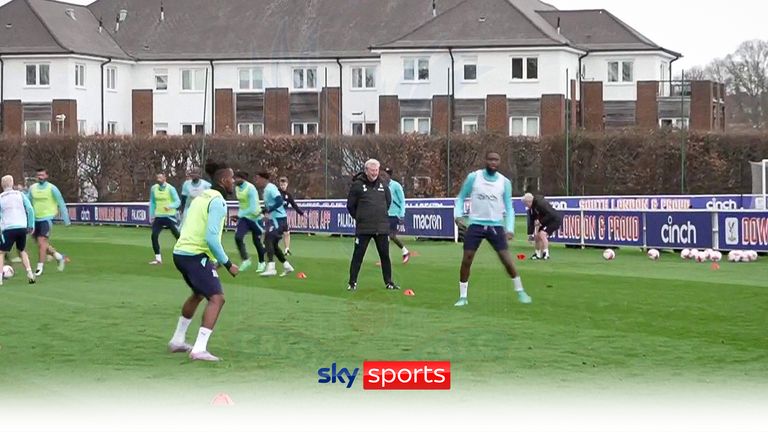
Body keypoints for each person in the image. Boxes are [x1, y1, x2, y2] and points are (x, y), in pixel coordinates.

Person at [167, 161, 239, 362]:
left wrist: (211, 259)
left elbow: (191, 227)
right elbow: (211, 238)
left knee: (199, 294)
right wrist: (227, 263)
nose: (233, 182)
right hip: (194, 256)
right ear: (224, 180)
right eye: (231, 178)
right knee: (217, 298)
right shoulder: (217, 201)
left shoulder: (200, 197)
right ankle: (199, 349)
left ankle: (177, 340)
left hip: (181, 253)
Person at [453, 151, 532, 307]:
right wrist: (458, 216)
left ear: (499, 162)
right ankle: (463, 296)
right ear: (485, 160)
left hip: (496, 225)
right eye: (490, 159)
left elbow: (509, 207)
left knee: (506, 260)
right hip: (475, 224)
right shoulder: (474, 177)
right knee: (466, 260)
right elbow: (461, 197)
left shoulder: (504, 182)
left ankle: (520, 290)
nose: (493, 162)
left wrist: (509, 228)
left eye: (496, 160)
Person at [346, 159, 399, 291]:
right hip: (364, 227)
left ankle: (389, 282)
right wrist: (360, 217)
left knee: (385, 256)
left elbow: (388, 201)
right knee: (358, 255)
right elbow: (350, 206)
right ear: (366, 170)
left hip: (381, 227)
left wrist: (380, 216)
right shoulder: (357, 185)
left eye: (376, 170)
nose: (375, 173)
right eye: (372, 170)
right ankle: (352, 283)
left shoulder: (383, 184)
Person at [27, 168, 70, 276]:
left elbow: (61, 202)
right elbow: (27, 202)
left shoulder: (52, 188)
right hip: (34, 220)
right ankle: (60, 257)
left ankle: (39, 267)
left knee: (42, 243)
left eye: (42, 175)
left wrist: (66, 220)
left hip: (46, 220)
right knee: (42, 245)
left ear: (46, 176)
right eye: (38, 175)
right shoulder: (32, 188)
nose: (40, 177)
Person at [254, 172, 294, 277]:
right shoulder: (266, 189)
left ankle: (271, 267)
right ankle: (287, 265)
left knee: (268, 239)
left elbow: (279, 201)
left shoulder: (270, 188)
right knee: (274, 245)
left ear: (263, 179)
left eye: (257, 178)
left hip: (279, 219)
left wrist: (269, 210)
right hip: (276, 219)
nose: (256, 181)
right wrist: (264, 210)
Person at [0, 175, 36, 284]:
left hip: (8, 228)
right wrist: (31, 224)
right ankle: (30, 274)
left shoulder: (1, 197)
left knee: (1, 252)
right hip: (21, 227)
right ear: (12, 184)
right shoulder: (20, 194)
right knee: (22, 250)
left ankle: (0, 278)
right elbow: (29, 209)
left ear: (2, 185)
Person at [233, 171, 266, 273]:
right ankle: (246, 260)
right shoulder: (237, 188)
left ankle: (262, 262)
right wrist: (240, 216)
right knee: (238, 237)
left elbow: (252, 208)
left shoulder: (251, 188)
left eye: (238, 178)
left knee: (256, 242)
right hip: (244, 219)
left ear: (243, 179)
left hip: (255, 218)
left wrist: (239, 215)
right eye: (235, 178)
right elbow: (242, 204)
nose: (235, 180)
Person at [149, 173, 181, 265]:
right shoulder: (154, 189)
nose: (158, 179)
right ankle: (158, 258)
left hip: (170, 216)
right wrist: (151, 215)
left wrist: (170, 206)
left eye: (160, 178)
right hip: (159, 216)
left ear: (165, 179)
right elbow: (153, 202)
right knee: (154, 235)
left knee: (178, 236)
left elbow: (177, 202)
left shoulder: (170, 188)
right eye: (157, 178)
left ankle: (188, 254)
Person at [522, 193, 563, 260]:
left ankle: (546, 253)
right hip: (545, 220)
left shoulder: (541, 203)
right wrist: (530, 234)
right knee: (537, 236)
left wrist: (540, 222)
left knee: (542, 234)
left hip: (554, 220)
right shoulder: (531, 209)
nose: (525, 206)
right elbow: (531, 221)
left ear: (529, 201)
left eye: (526, 204)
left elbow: (550, 214)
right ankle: (537, 254)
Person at [384, 168, 410, 264]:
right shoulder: (381, 186)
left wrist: (402, 214)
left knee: (391, 235)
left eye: (386, 174)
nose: (383, 176)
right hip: (384, 214)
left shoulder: (396, 186)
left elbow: (402, 200)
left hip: (394, 214)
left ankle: (405, 251)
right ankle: (385, 258)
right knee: (384, 236)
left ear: (389, 175)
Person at [277, 176, 304, 256]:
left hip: (283, 217)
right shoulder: (277, 193)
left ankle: (286, 249)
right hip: (276, 217)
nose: (282, 186)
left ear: (287, 184)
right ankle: (273, 248)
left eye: (284, 185)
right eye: (281, 185)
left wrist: (301, 213)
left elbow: (294, 205)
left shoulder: (288, 195)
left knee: (287, 233)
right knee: (276, 235)